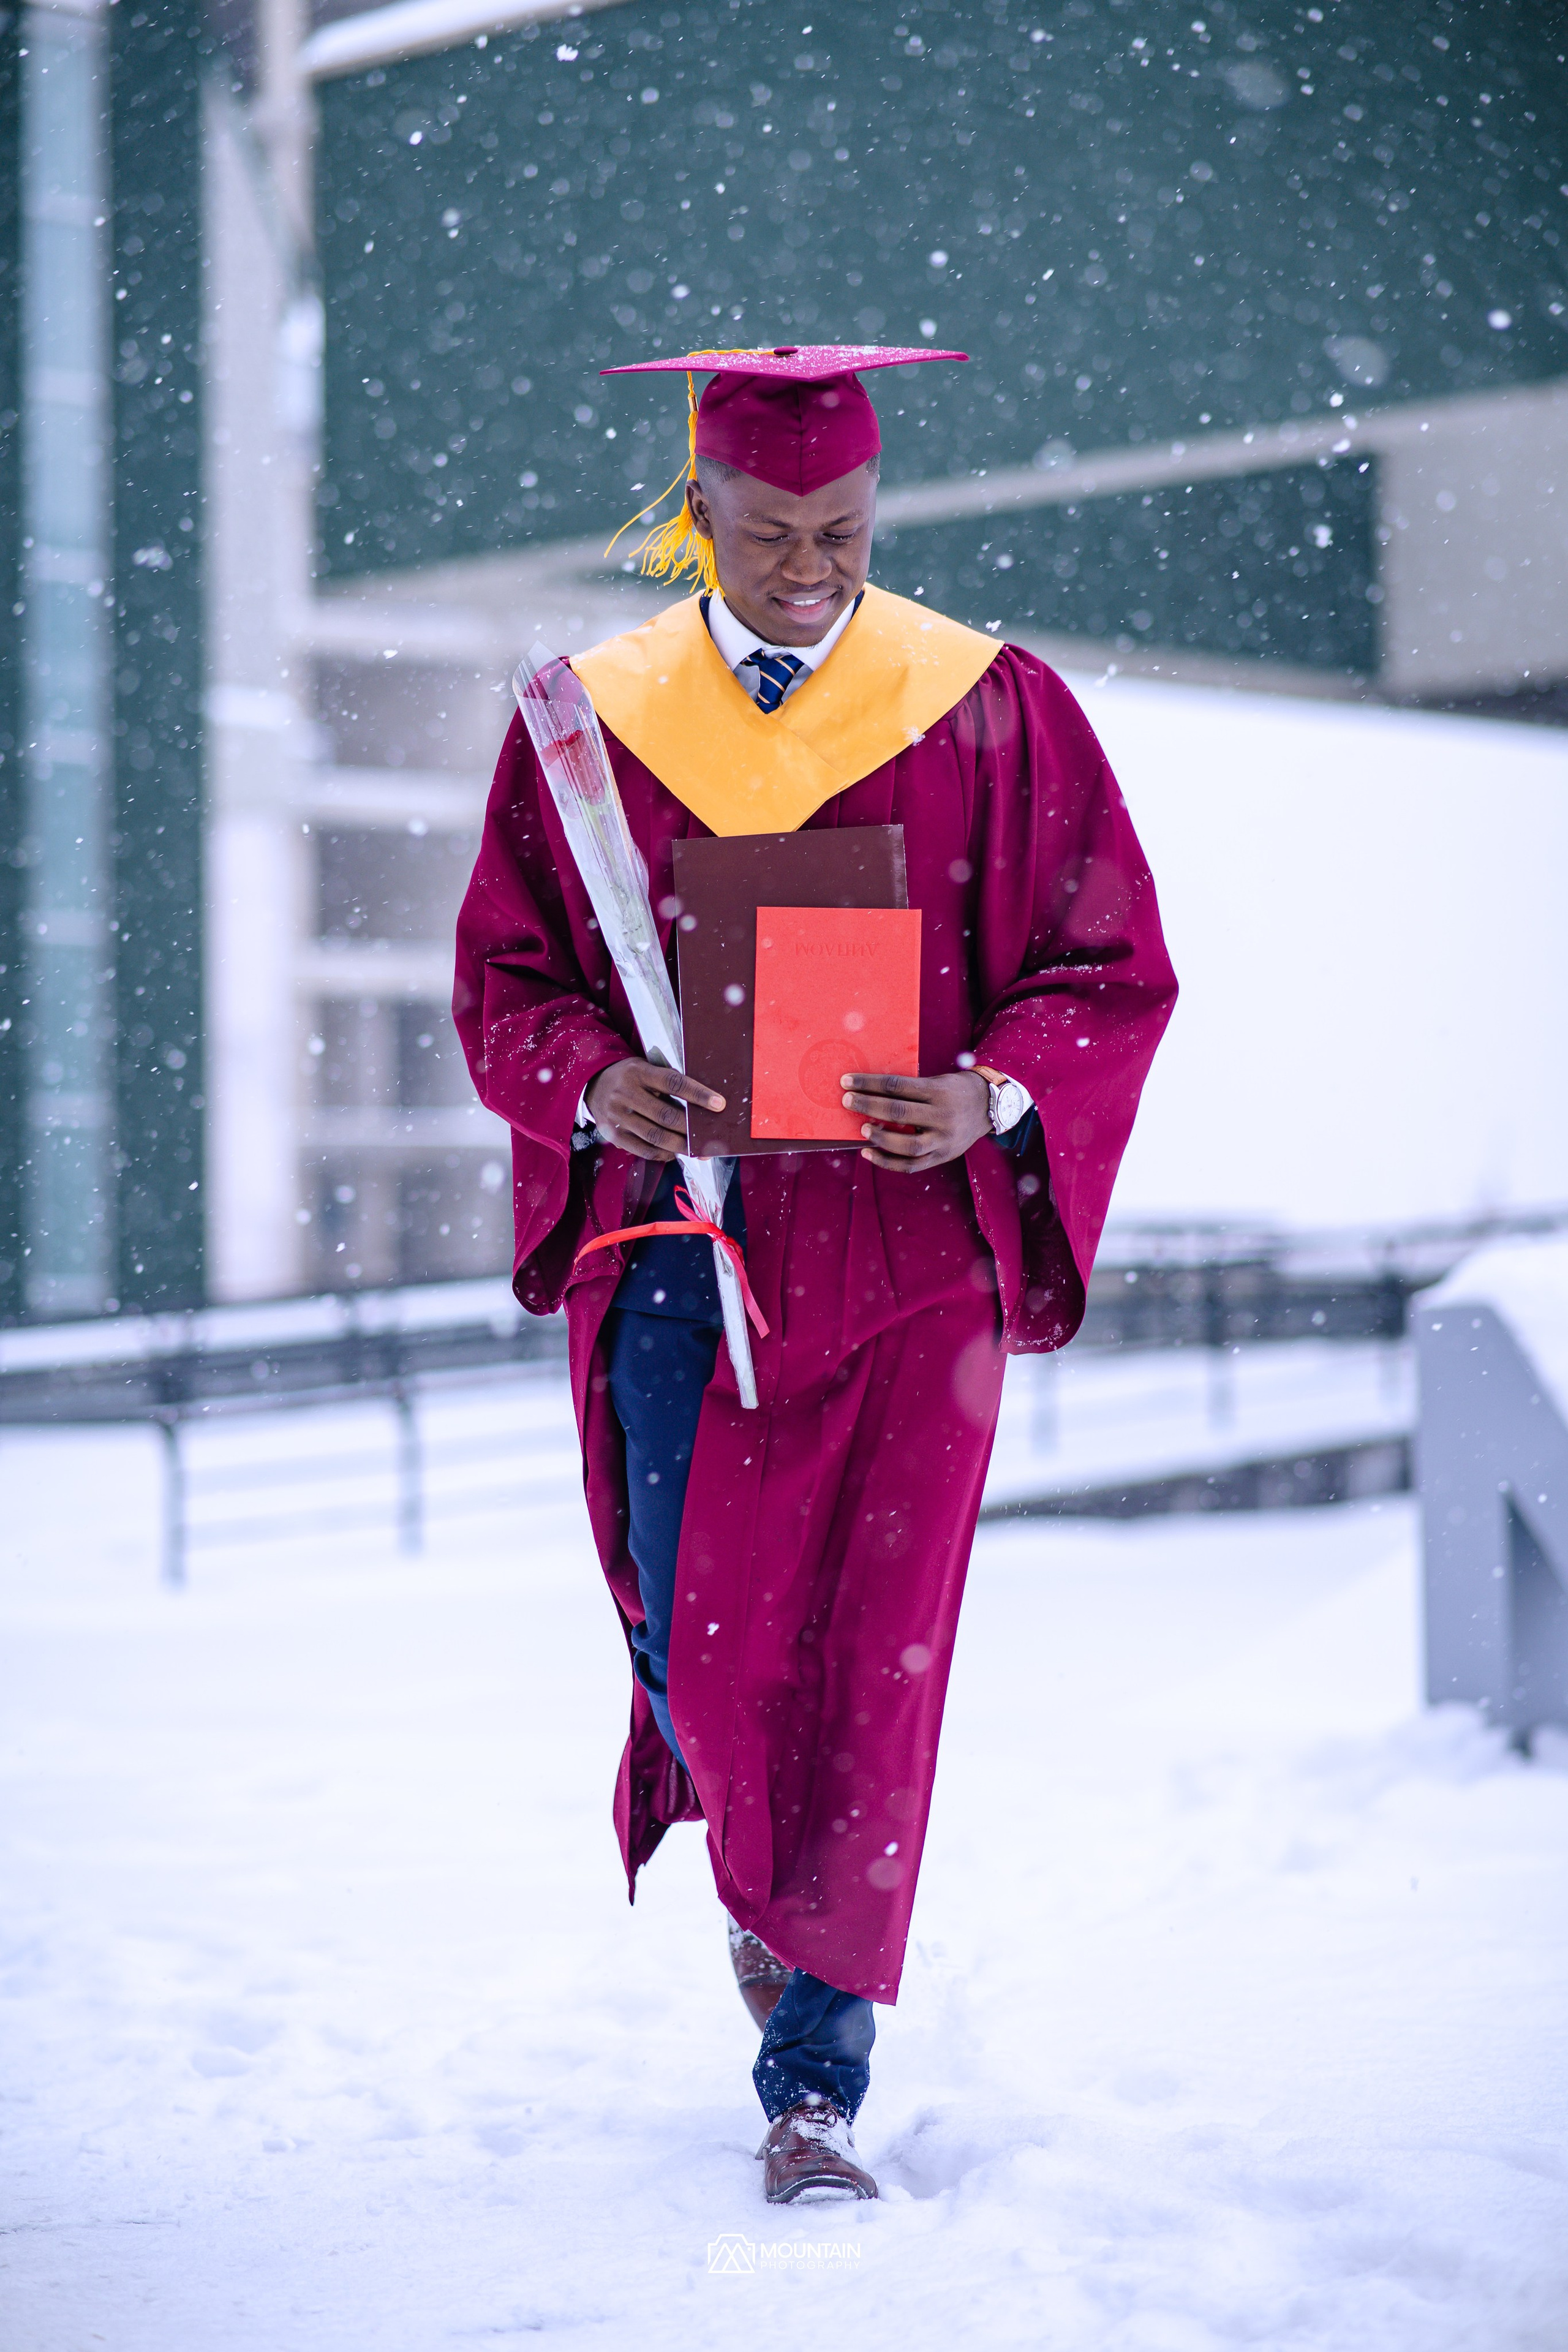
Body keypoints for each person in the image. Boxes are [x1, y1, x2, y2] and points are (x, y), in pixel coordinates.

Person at [453, 344, 1177, 2204]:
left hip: (907, 1260)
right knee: (690, 1636)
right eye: (770, 531)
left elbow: (1107, 967)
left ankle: (815, 2086)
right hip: (678, 1243)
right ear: (696, 512)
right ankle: (753, 1856)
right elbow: (507, 984)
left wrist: (987, 1090)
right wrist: (591, 1079)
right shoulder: (591, 723)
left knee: (871, 1662)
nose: (810, 568)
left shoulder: (990, 707)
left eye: (842, 530)